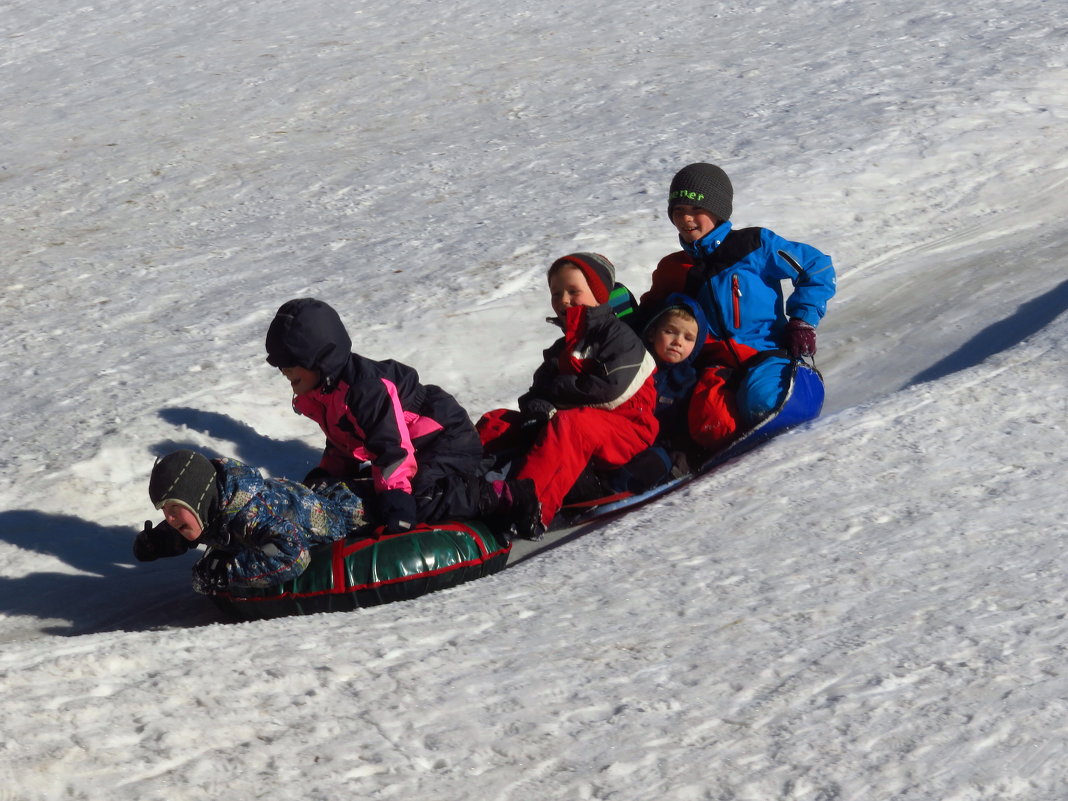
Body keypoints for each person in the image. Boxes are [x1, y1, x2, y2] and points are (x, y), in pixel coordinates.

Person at [264, 297, 535, 535]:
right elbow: (346, 440)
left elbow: (392, 449)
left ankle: (501, 496)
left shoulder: (365, 389)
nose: (284, 371)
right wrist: (329, 474)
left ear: (320, 359)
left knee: (416, 497)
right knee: (358, 490)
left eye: (291, 364)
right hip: (413, 446)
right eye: (279, 365)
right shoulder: (323, 391)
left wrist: (396, 501)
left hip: (446, 439)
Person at [637, 162, 836, 450]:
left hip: (765, 353)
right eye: (678, 211)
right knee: (709, 427)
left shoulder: (753, 246)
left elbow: (817, 267)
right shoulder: (674, 269)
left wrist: (803, 319)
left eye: (695, 210)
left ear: (717, 211)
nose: (686, 219)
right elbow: (649, 320)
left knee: (763, 401)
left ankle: (795, 398)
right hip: (715, 369)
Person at [478, 253, 659, 539]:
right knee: (496, 421)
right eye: (556, 293)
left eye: (573, 291)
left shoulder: (619, 337)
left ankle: (530, 511)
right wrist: (539, 410)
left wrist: (556, 397)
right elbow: (536, 393)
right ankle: (462, 492)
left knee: (569, 425)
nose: (563, 300)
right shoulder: (561, 348)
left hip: (629, 428)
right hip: (583, 423)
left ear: (599, 294)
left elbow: (609, 390)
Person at [134, 449, 369, 594]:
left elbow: (292, 554)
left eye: (174, 508)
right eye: (164, 510)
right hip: (312, 493)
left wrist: (226, 573)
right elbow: (194, 524)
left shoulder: (252, 515)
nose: (169, 517)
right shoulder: (213, 506)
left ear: (200, 500)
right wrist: (160, 540)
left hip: (349, 513)